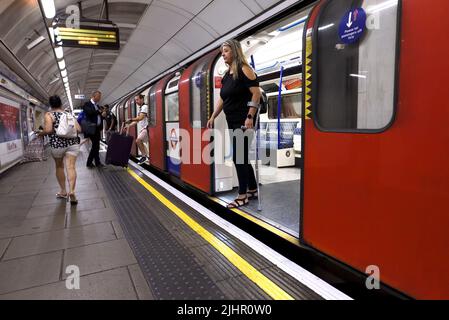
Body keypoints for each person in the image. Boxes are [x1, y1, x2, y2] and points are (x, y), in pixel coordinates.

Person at [207, 39, 261, 209]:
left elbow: (256, 94)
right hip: (232, 121)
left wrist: (250, 116)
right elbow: (223, 98)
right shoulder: (227, 75)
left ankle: (242, 195)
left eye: (226, 51)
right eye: (222, 51)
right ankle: (252, 189)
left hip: (244, 121)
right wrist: (213, 116)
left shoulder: (244, 69)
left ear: (235, 51)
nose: (223, 54)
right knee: (242, 156)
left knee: (239, 158)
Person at [37, 95, 81, 205]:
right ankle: (72, 191)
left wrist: (41, 134)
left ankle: (63, 191)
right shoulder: (68, 114)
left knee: (60, 166)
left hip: (57, 145)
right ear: (61, 103)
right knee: (71, 167)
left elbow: (48, 130)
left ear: (51, 105)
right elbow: (79, 129)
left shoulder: (49, 114)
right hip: (72, 143)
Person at [83, 91, 106, 168]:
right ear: (94, 96)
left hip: (97, 129)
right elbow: (90, 113)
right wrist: (99, 111)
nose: (100, 98)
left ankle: (97, 162)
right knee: (95, 146)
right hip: (91, 128)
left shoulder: (98, 106)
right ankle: (89, 162)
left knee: (96, 146)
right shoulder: (87, 104)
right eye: (99, 96)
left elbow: (99, 116)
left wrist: (103, 115)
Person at [125, 94, 149, 165]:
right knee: (140, 141)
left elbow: (140, 118)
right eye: (135, 100)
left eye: (137, 99)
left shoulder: (144, 107)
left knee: (138, 140)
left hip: (146, 128)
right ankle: (146, 156)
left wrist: (131, 119)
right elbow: (137, 121)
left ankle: (144, 156)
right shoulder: (141, 108)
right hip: (144, 128)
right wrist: (129, 126)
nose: (136, 101)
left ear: (142, 99)